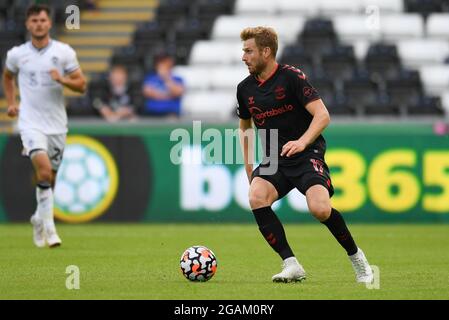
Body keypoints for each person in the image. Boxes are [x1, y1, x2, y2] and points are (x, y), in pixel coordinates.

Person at [237, 26, 373, 283]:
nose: (243, 56)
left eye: (248, 51)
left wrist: (301, 142)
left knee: (320, 209)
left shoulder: (291, 77)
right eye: (243, 51)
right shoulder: (244, 89)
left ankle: (357, 258)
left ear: (266, 52)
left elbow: (323, 116)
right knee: (256, 196)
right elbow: (245, 128)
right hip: (275, 158)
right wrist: (249, 167)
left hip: (306, 152)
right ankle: (291, 264)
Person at [2, 4, 86, 248]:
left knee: (51, 178)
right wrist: (11, 103)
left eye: (42, 20)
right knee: (44, 170)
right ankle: (50, 229)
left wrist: (63, 79)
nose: (38, 24)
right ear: (28, 25)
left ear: (49, 23)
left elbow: (81, 85)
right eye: (34, 21)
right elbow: (7, 76)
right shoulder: (17, 54)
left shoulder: (63, 52)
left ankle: (38, 218)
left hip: (57, 125)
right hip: (30, 123)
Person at [142, 53, 184, 117]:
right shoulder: (151, 78)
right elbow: (147, 92)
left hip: (171, 113)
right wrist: (167, 95)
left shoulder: (177, 79)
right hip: (151, 113)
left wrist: (166, 79)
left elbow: (178, 92)